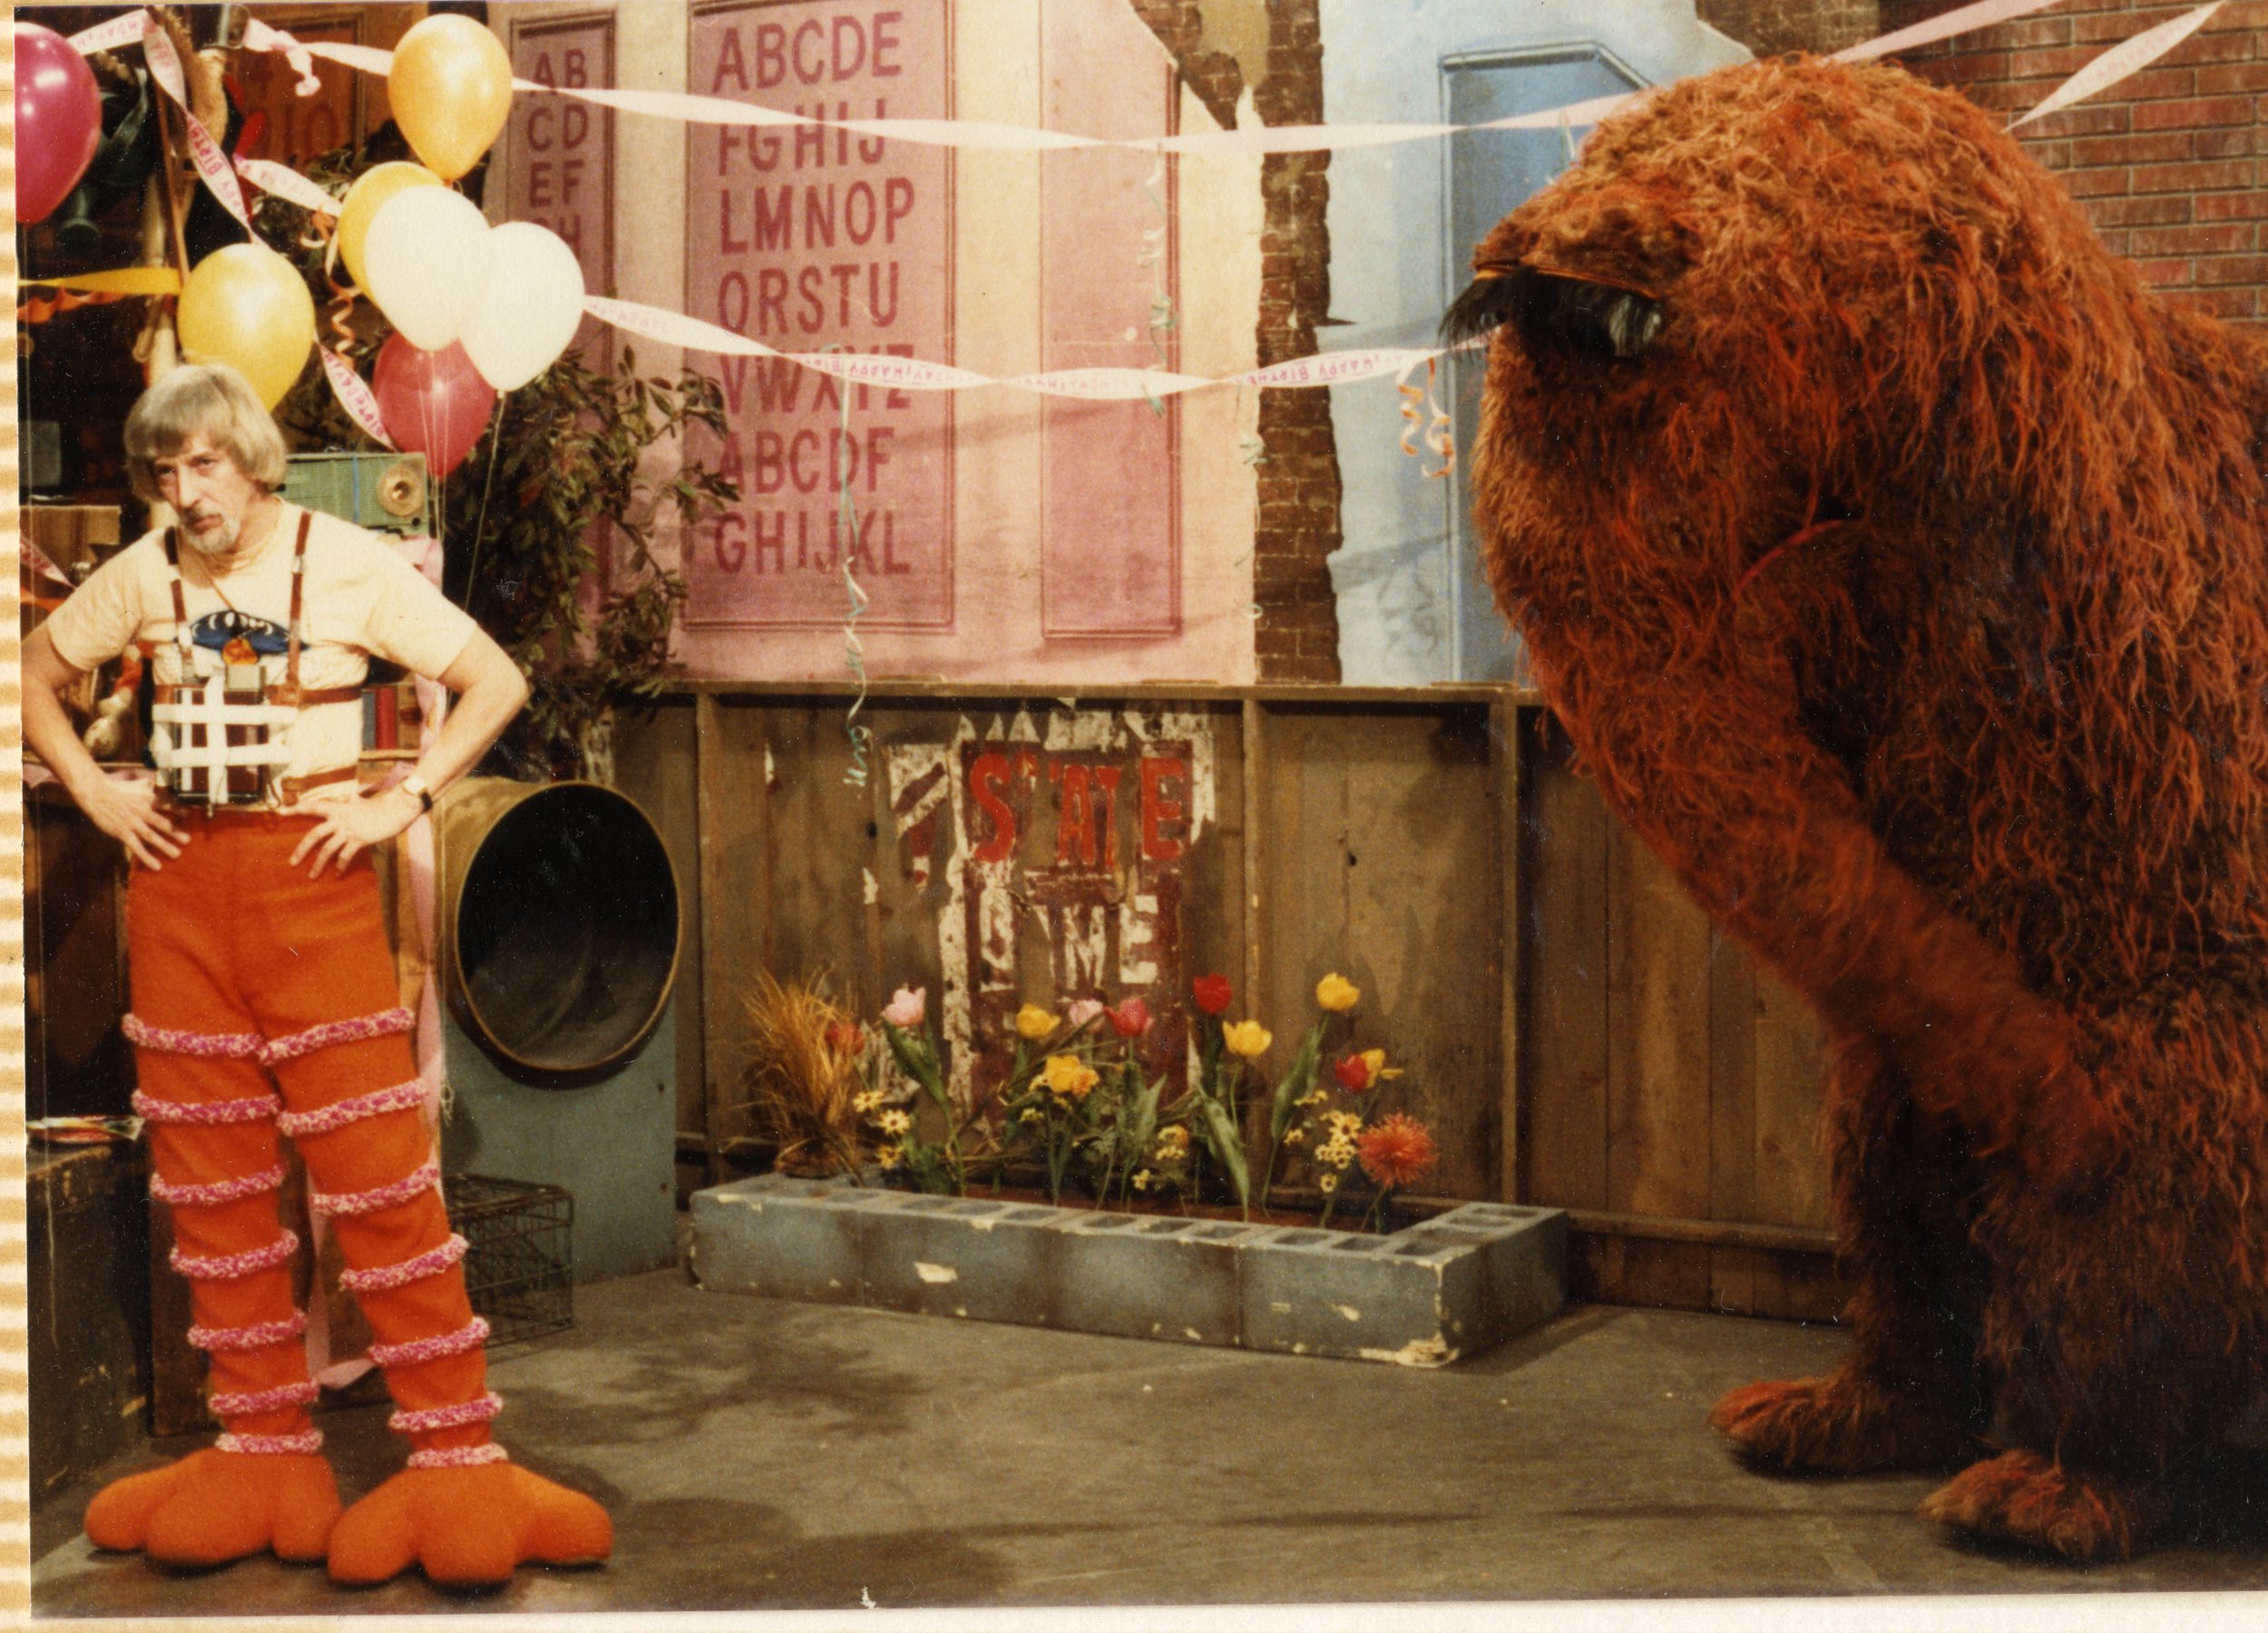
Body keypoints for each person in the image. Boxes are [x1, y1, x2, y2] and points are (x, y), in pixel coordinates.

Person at [21, 363, 611, 1588]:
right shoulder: (142, 574)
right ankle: (261, 1446)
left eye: (207, 466)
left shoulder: (346, 562)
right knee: (213, 1183)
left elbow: (493, 680)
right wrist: (94, 788)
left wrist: (407, 795)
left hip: (315, 889)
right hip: (181, 889)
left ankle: (457, 1457)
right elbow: (32, 673)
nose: (188, 493)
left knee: (376, 1177)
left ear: (251, 461)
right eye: (165, 472)